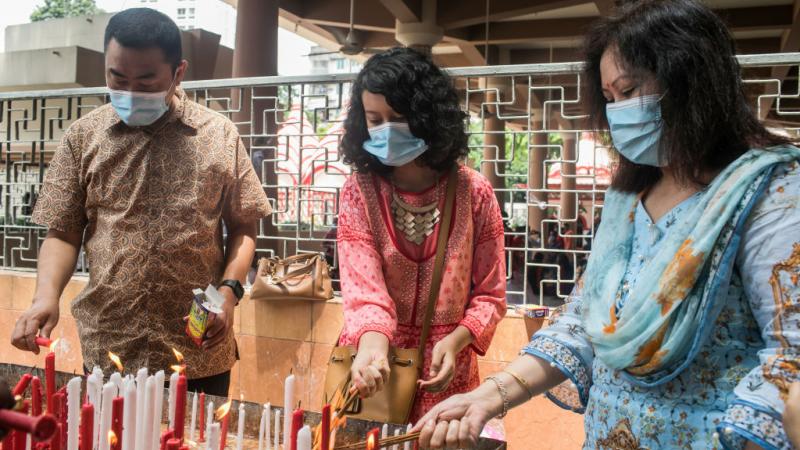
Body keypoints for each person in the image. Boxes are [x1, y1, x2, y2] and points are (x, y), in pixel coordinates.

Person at [413, 1, 800, 448]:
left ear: (690, 83)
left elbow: (790, 362)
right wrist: (485, 398)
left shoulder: (771, 192)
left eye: (630, 90)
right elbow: (581, 323)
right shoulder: (626, 201)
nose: (618, 113)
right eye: (610, 99)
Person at [10, 8, 271, 396]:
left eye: (146, 81)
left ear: (178, 73)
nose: (130, 92)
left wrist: (229, 293)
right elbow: (63, 231)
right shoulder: (83, 137)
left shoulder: (219, 135)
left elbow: (244, 226)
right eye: (118, 78)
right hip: (111, 344)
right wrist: (45, 297)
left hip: (198, 347)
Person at [336, 47, 507, 422]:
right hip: (373, 371)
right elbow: (364, 292)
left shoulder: (474, 192)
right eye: (374, 120)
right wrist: (373, 349)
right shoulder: (357, 191)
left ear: (428, 117)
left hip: (447, 378)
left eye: (398, 118)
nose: (385, 131)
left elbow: (491, 296)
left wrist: (457, 339)